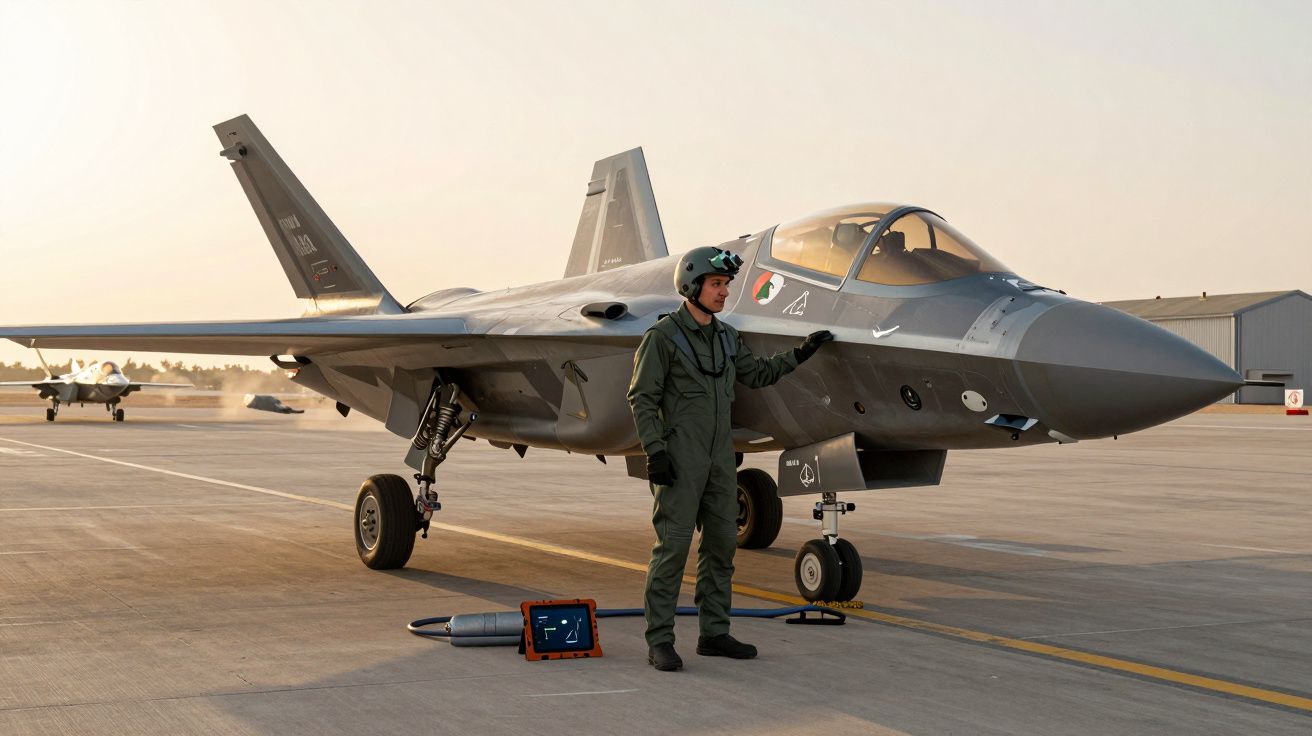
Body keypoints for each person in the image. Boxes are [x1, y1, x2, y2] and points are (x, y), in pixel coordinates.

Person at [627, 245, 834, 671]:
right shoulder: (662, 339)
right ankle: (660, 640)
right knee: (672, 550)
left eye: (725, 285)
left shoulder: (726, 337)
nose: (724, 293)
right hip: (680, 462)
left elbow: (756, 374)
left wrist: (799, 353)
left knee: (722, 548)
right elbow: (642, 398)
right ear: (693, 285)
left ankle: (714, 633)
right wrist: (656, 452)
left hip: (722, 461)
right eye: (717, 284)